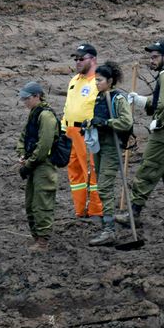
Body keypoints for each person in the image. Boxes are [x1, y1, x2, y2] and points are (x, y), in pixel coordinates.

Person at [127, 39, 164, 232]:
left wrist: (159, 120)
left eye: (155, 57)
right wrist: (140, 101)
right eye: (150, 57)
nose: (151, 60)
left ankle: (134, 212)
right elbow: (159, 102)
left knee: (148, 168)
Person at [85, 61, 134, 247]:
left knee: (105, 186)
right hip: (100, 145)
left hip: (112, 146)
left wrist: (106, 123)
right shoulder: (99, 97)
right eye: (95, 80)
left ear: (110, 81)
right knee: (100, 184)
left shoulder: (117, 99)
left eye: (100, 80)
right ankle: (108, 226)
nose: (96, 83)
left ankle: (109, 230)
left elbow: (126, 122)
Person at [62, 43, 104, 224]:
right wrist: (63, 131)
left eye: (81, 58)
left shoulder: (98, 82)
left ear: (93, 59)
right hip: (70, 132)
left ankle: (96, 211)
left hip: (87, 133)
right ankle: (81, 210)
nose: (77, 62)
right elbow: (67, 107)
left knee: (91, 171)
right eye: (76, 59)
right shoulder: (74, 80)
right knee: (75, 172)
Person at [16, 81, 61, 249]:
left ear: (37, 96)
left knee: (42, 203)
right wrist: (22, 154)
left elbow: (44, 146)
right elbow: (24, 137)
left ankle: (43, 241)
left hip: (44, 165)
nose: (24, 102)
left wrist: (29, 163)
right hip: (34, 164)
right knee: (30, 203)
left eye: (26, 98)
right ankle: (36, 236)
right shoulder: (34, 114)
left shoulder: (46, 116)